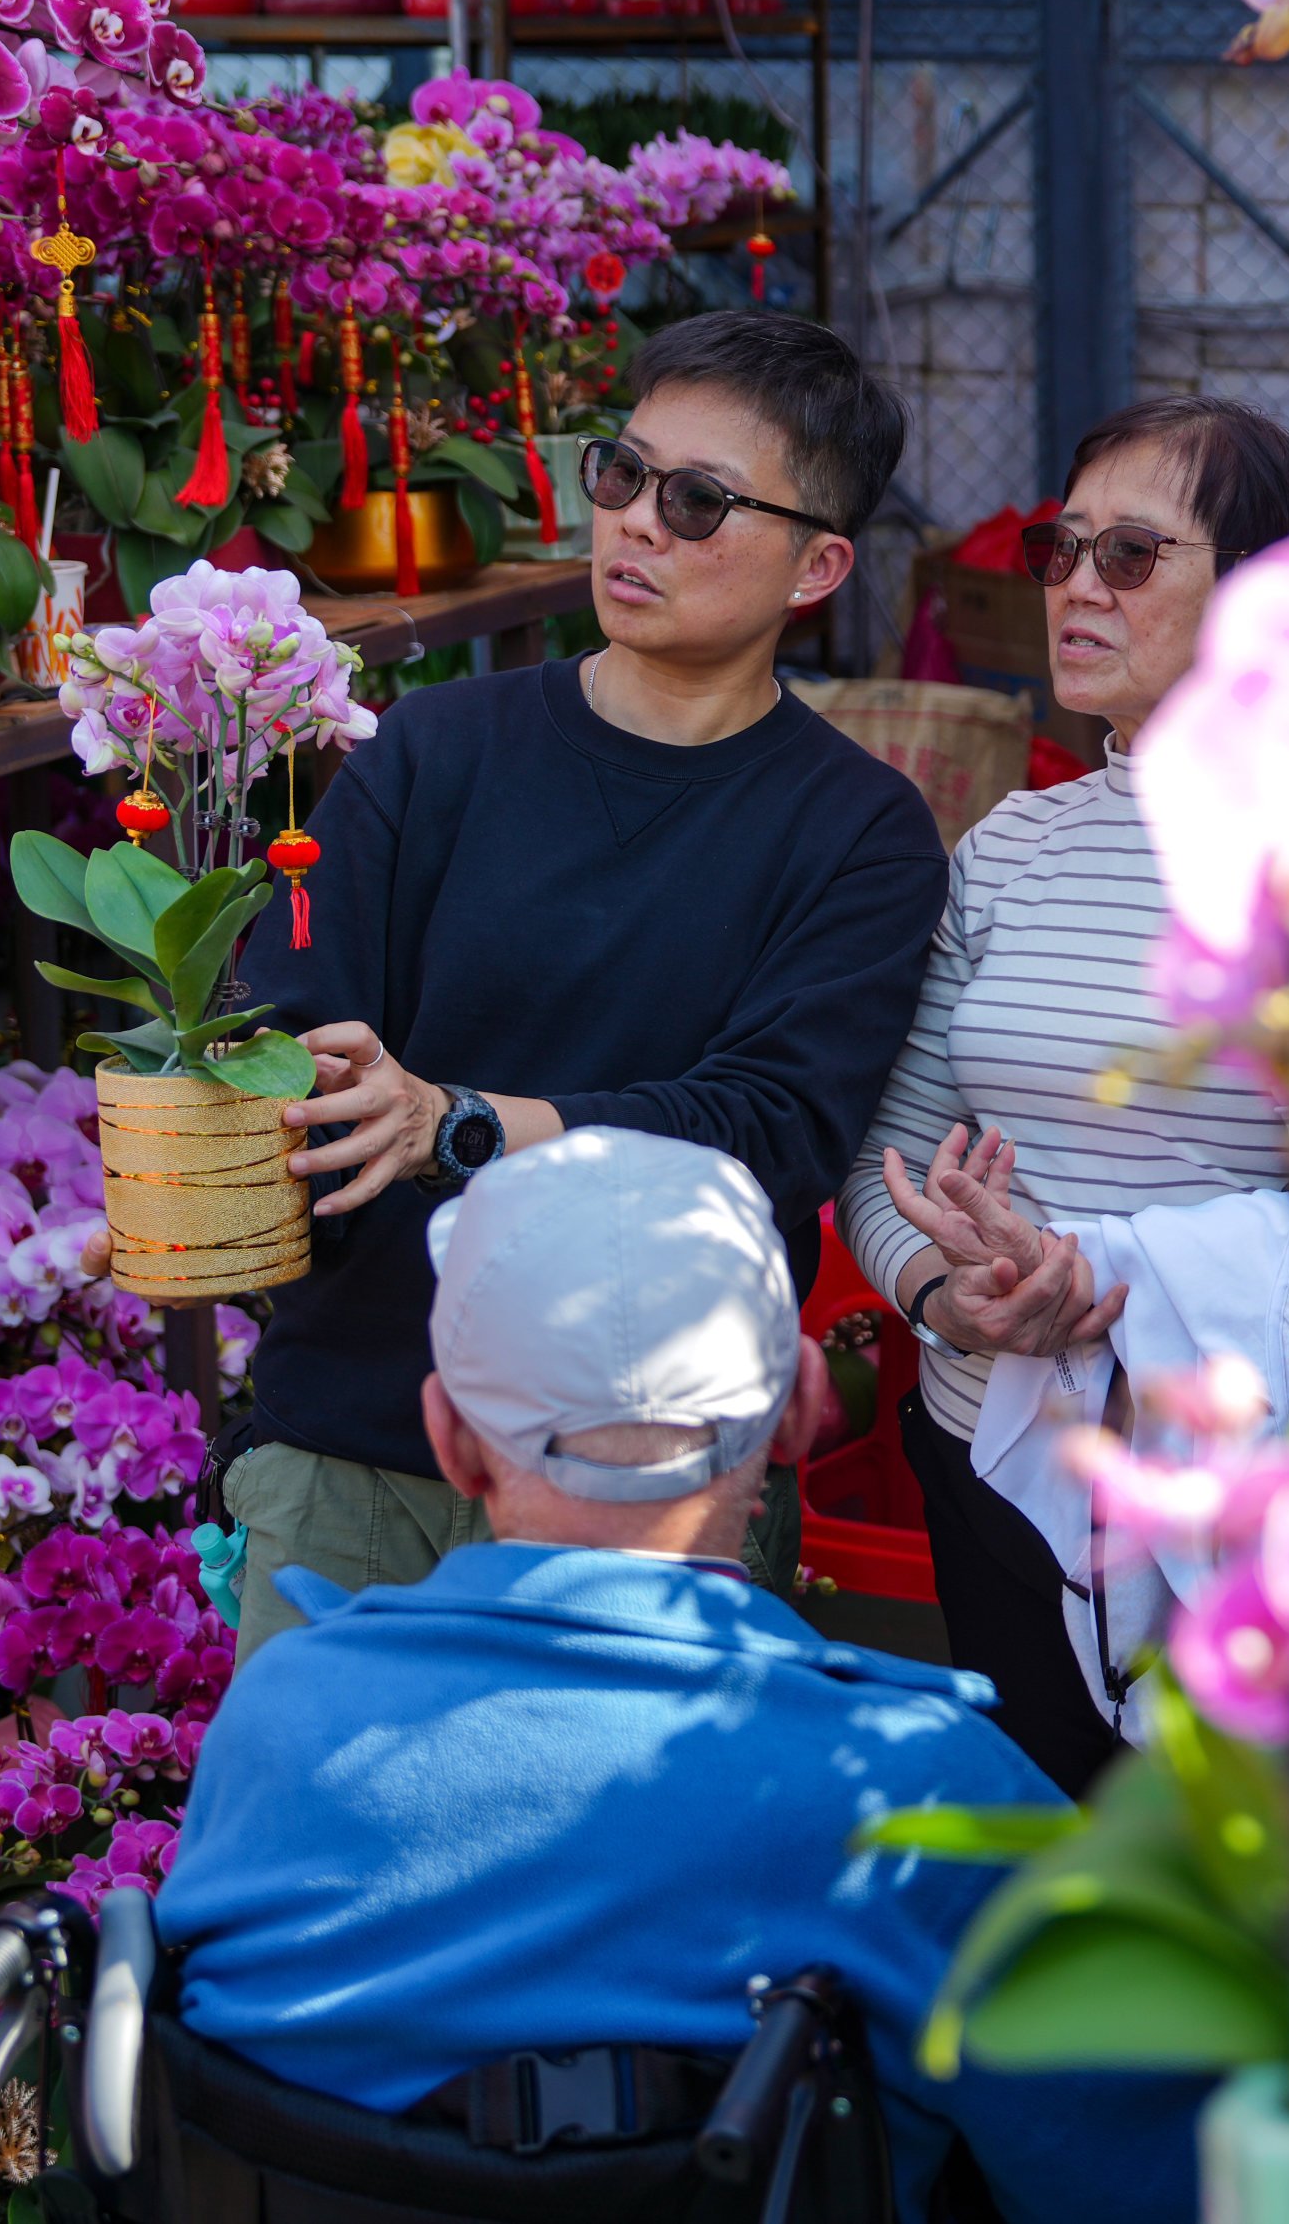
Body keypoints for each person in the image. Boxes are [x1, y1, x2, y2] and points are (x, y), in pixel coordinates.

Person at [153, 1127, 1203, 2224]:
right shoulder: (925, 1794)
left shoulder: (277, 1715)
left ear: (451, 1441)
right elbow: (1167, 2184)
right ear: (803, 1409)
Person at [210, 311, 948, 1658]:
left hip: (661, 1467)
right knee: (330, 1857)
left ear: (816, 565)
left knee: (638, 1863)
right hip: (370, 1431)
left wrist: (464, 1120)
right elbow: (295, 1016)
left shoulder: (857, 829)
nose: (637, 524)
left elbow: (769, 1124)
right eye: (622, 474)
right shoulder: (436, 744)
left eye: (701, 500)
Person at [837, 395, 1289, 1794]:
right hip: (979, 1451)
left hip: (1212, 1500)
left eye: (1131, 555)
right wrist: (955, 1297)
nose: (1073, 587)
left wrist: (1117, 1287)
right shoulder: (1008, 845)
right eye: (1061, 551)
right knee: (1028, 1862)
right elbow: (889, 1149)